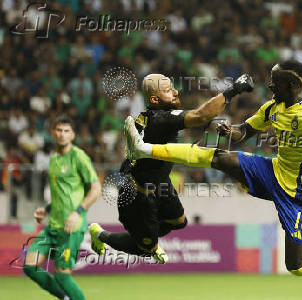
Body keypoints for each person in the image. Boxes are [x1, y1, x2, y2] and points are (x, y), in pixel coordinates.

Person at [123, 60, 302, 276]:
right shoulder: (272, 108)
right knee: (219, 158)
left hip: (300, 194)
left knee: (299, 268)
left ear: (291, 84)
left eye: (274, 81)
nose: (269, 85)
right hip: (274, 172)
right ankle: (143, 149)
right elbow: (244, 132)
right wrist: (231, 131)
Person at [89, 73, 253, 262]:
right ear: (154, 99)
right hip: (138, 195)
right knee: (145, 250)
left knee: (179, 222)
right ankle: (102, 234)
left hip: (159, 184)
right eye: (168, 91)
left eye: (173, 88)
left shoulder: (152, 117)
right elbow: (201, 116)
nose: (175, 92)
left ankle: (148, 237)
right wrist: (234, 90)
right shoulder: (161, 119)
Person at [23, 116, 102, 299]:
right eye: (59, 130)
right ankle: (65, 297)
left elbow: (96, 189)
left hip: (71, 228)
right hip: (53, 226)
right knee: (30, 266)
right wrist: (47, 209)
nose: (62, 134)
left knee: (61, 275)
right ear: (52, 133)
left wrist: (77, 213)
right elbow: (62, 195)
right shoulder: (54, 160)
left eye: (67, 131)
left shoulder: (79, 157)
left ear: (73, 135)